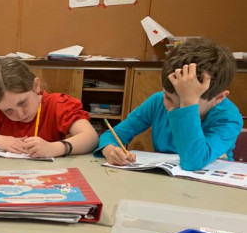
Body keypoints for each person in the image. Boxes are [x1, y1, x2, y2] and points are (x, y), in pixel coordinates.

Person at [95, 38, 243, 170]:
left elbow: (193, 161)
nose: (172, 109)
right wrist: (109, 149)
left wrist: (188, 107)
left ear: (218, 98)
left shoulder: (229, 118)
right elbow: (113, 134)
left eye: (185, 104)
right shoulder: (158, 101)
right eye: (168, 97)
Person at [0, 58, 98, 158]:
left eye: (22, 102)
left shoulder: (58, 104)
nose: (20, 114)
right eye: (8, 110)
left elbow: (90, 137)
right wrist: (0, 140)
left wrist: (54, 148)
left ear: (36, 86)